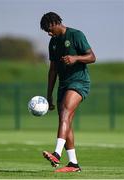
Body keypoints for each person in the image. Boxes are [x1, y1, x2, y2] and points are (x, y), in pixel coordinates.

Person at [40, 12, 96, 173]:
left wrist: (75, 58)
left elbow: (92, 57)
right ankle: (73, 164)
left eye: (49, 30)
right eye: (46, 32)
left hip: (79, 81)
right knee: (66, 120)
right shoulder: (53, 42)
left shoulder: (76, 35)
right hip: (63, 84)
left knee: (65, 112)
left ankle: (57, 153)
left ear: (56, 23)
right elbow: (52, 70)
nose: (49, 33)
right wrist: (49, 94)